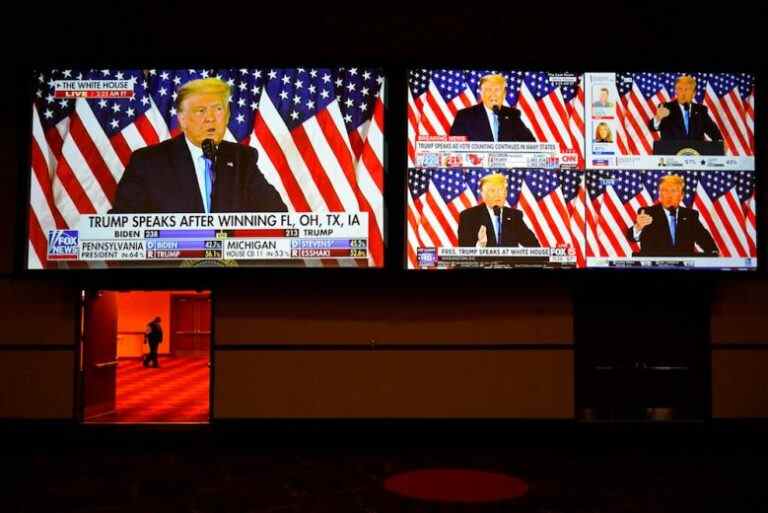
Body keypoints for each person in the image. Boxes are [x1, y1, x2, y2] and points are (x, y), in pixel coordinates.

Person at [110, 77, 287, 213]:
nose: (210, 118)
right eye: (200, 111)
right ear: (182, 119)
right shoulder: (148, 162)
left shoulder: (242, 158)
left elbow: (276, 215)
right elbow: (121, 223)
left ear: (227, 116)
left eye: (218, 109)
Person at [626, 175, 718, 257]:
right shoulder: (648, 212)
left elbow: (705, 239)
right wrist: (638, 227)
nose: (668, 195)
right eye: (665, 190)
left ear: (681, 195)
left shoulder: (690, 215)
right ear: (660, 195)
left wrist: (714, 253)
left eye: (673, 191)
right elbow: (631, 237)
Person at [458, 173, 539, 247]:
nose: (498, 194)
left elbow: (534, 245)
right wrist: (479, 245)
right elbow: (464, 249)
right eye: (492, 191)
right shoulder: (468, 216)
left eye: (501, 190)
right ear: (482, 194)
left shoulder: (514, 216)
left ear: (506, 193)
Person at [449, 74, 536, 142]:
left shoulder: (512, 115)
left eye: (497, 90)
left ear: (504, 94)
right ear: (481, 93)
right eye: (488, 90)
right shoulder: (465, 116)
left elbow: (530, 143)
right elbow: (454, 145)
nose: (493, 94)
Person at [648, 75, 723, 143]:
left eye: (686, 89)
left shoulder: (701, 110)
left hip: (695, 154)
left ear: (693, 93)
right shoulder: (665, 107)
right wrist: (658, 117)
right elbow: (652, 128)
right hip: (671, 154)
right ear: (676, 91)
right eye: (680, 89)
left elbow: (713, 132)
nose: (682, 93)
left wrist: (720, 143)